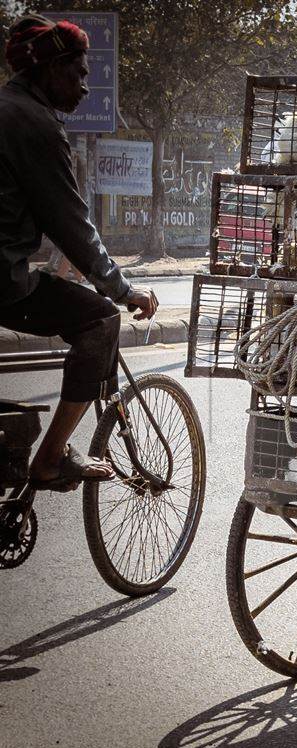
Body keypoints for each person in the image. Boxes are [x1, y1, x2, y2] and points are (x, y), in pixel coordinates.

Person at [0, 14, 158, 491]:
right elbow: (71, 225)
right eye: (79, 72)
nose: (86, 86)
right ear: (49, 70)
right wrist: (122, 288)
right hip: (4, 280)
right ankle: (50, 458)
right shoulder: (35, 125)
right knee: (99, 320)